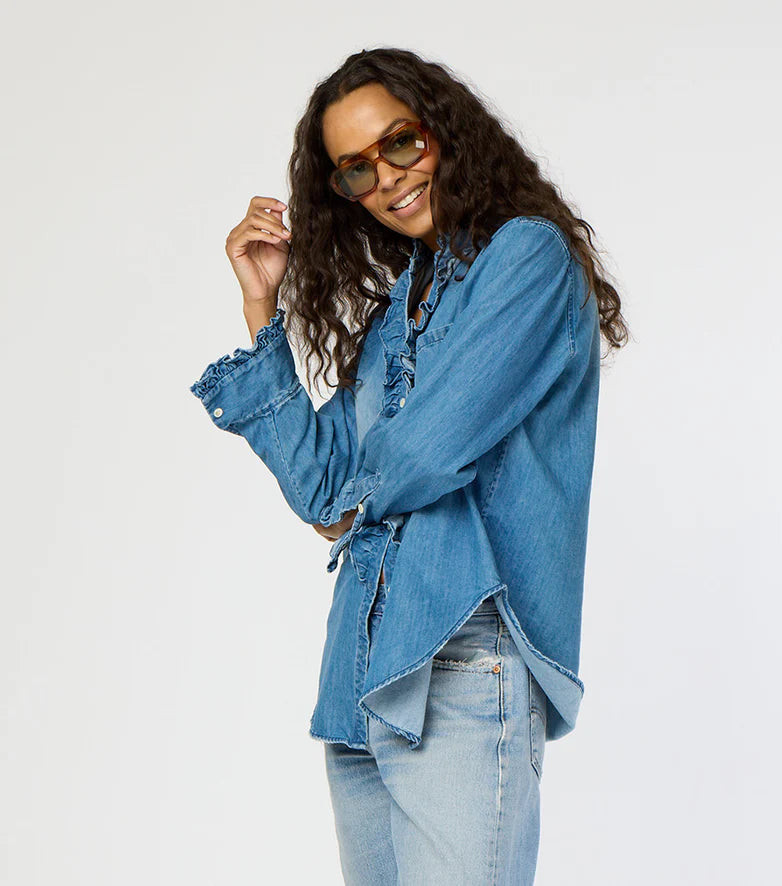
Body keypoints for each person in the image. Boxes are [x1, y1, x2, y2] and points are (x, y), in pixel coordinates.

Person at [189, 47, 628, 885]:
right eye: (355, 171)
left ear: (444, 130)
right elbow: (323, 490)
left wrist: (361, 495)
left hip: (463, 655)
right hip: (359, 675)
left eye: (401, 144)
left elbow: (427, 449)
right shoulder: (405, 307)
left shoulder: (525, 259)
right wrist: (262, 310)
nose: (387, 180)